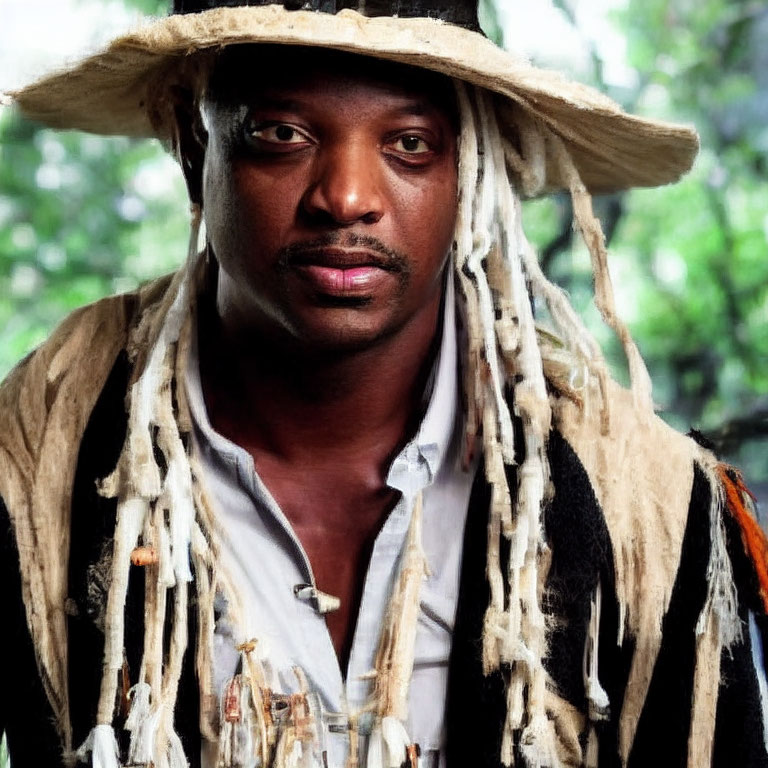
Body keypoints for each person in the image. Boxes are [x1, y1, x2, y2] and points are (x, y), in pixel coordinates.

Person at [1, 1, 766, 767]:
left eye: (409, 144)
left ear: (469, 169)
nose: (347, 197)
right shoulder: (36, 457)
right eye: (281, 135)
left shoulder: (643, 502)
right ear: (192, 147)